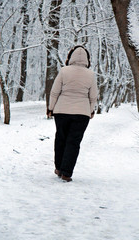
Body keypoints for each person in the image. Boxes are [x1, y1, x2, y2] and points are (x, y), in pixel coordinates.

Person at [47, 45, 98, 182]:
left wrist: (50, 108)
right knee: (73, 142)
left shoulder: (64, 71)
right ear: (87, 59)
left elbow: (54, 92)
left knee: (61, 139)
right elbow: (93, 96)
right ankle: (66, 173)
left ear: (70, 57)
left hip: (61, 112)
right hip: (82, 113)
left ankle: (58, 168)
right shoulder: (90, 74)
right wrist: (91, 110)